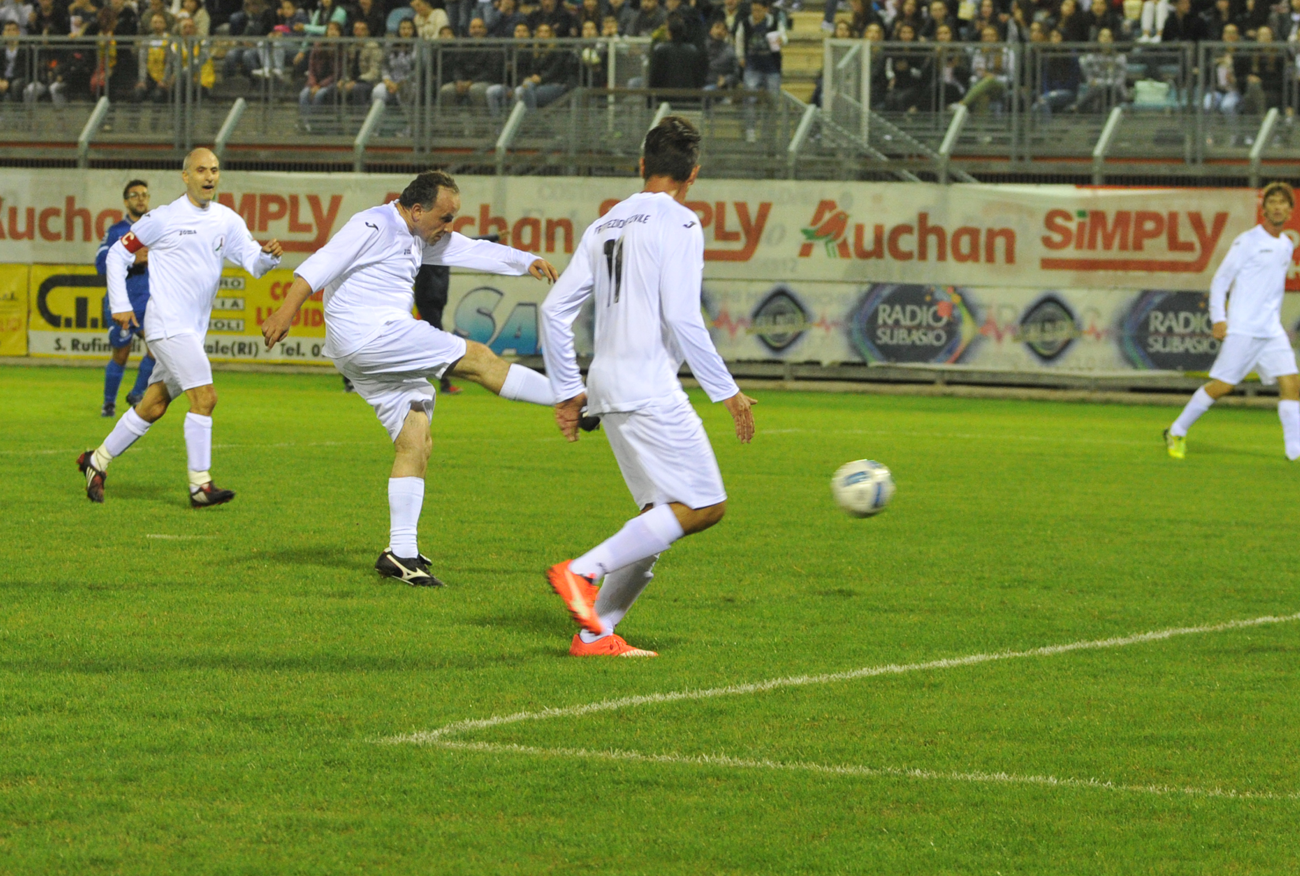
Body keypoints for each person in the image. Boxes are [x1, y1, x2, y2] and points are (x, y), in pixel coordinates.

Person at [259, 171, 560, 586]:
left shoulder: (420, 234)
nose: (449, 226)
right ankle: (571, 399)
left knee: (416, 436)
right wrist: (285, 311)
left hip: (365, 351)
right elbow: (319, 265)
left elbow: (470, 249)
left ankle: (400, 554)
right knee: (478, 359)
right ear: (417, 210)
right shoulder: (374, 224)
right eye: (445, 217)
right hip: (371, 333)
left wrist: (524, 260)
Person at [539, 116, 755, 658]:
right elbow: (682, 316)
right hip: (649, 385)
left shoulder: (605, 223)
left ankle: (596, 634)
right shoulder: (680, 221)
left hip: (607, 384)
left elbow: (553, 310)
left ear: (642, 166)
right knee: (705, 506)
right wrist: (726, 390)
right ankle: (583, 571)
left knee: (657, 514)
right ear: (693, 174)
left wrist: (568, 389)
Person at [79, 148, 283, 506]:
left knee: (154, 405)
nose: (209, 176)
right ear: (186, 176)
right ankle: (200, 485)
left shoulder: (226, 219)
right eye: (201, 170)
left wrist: (267, 257)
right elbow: (118, 254)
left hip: (191, 331)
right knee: (205, 398)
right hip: (167, 324)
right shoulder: (164, 217)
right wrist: (121, 304)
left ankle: (96, 460)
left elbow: (253, 262)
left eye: (214, 170)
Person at [1165, 182, 1300, 461]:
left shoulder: (1286, 245)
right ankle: (1176, 430)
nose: (1277, 207)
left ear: (1290, 210)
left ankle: (1294, 451)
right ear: (1264, 209)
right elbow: (1221, 280)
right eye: (1272, 202)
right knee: (1223, 386)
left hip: (1271, 330)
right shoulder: (1248, 241)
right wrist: (1219, 318)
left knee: (1291, 384)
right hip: (1243, 328)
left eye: (1283, 202)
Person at [94, 180, 156, 419]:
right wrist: (133, 260)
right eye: (134, 195)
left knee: (158, 350)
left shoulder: (155, 229)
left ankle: (137, 394)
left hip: (148, 303)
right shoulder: (116, 231)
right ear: (125, 201)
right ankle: (108, 403)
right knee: (122, 353)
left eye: (144, 194)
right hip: (121, 302)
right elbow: (101, 264)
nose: (140, 199)